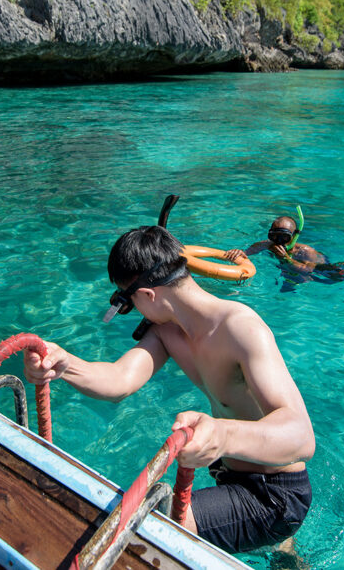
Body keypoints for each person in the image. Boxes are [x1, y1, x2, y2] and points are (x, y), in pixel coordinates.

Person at [24, 225, 315, 554]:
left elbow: (302, 437)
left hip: (275, 494)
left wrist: (223, 435)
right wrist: (66, 365)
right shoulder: (168, 333)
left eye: (128, 304)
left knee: (153, 523)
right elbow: (120, 380)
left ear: (148, 295)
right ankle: (284, 550)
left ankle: (281, 539)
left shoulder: (240, 328)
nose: (133, 313)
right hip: (230, 471)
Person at [224, 215, 344, 288]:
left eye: (284, 237)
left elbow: (308, 271)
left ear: (294, 236)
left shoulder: (306, 252)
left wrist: (286, 259)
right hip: (292, 268)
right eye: (274, 236)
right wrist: (238, 252)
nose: (278, 241)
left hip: (321, 270)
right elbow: (246, 252)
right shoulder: (267, 244)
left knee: (333, 276)